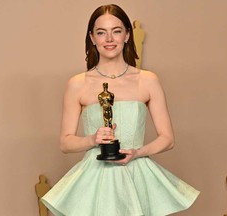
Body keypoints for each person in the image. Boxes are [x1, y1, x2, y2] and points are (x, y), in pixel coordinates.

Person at [42, 4, 199, 216]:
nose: (109, 39)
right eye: (101, 32)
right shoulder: (77, 84)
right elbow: (65, 142)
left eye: (116, 31)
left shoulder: (147, 80)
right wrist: (92, 139)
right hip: (94, 178)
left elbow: (168, 138)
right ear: (92, 37)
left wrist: (137, 153)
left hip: (136, 174)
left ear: (126, 35)